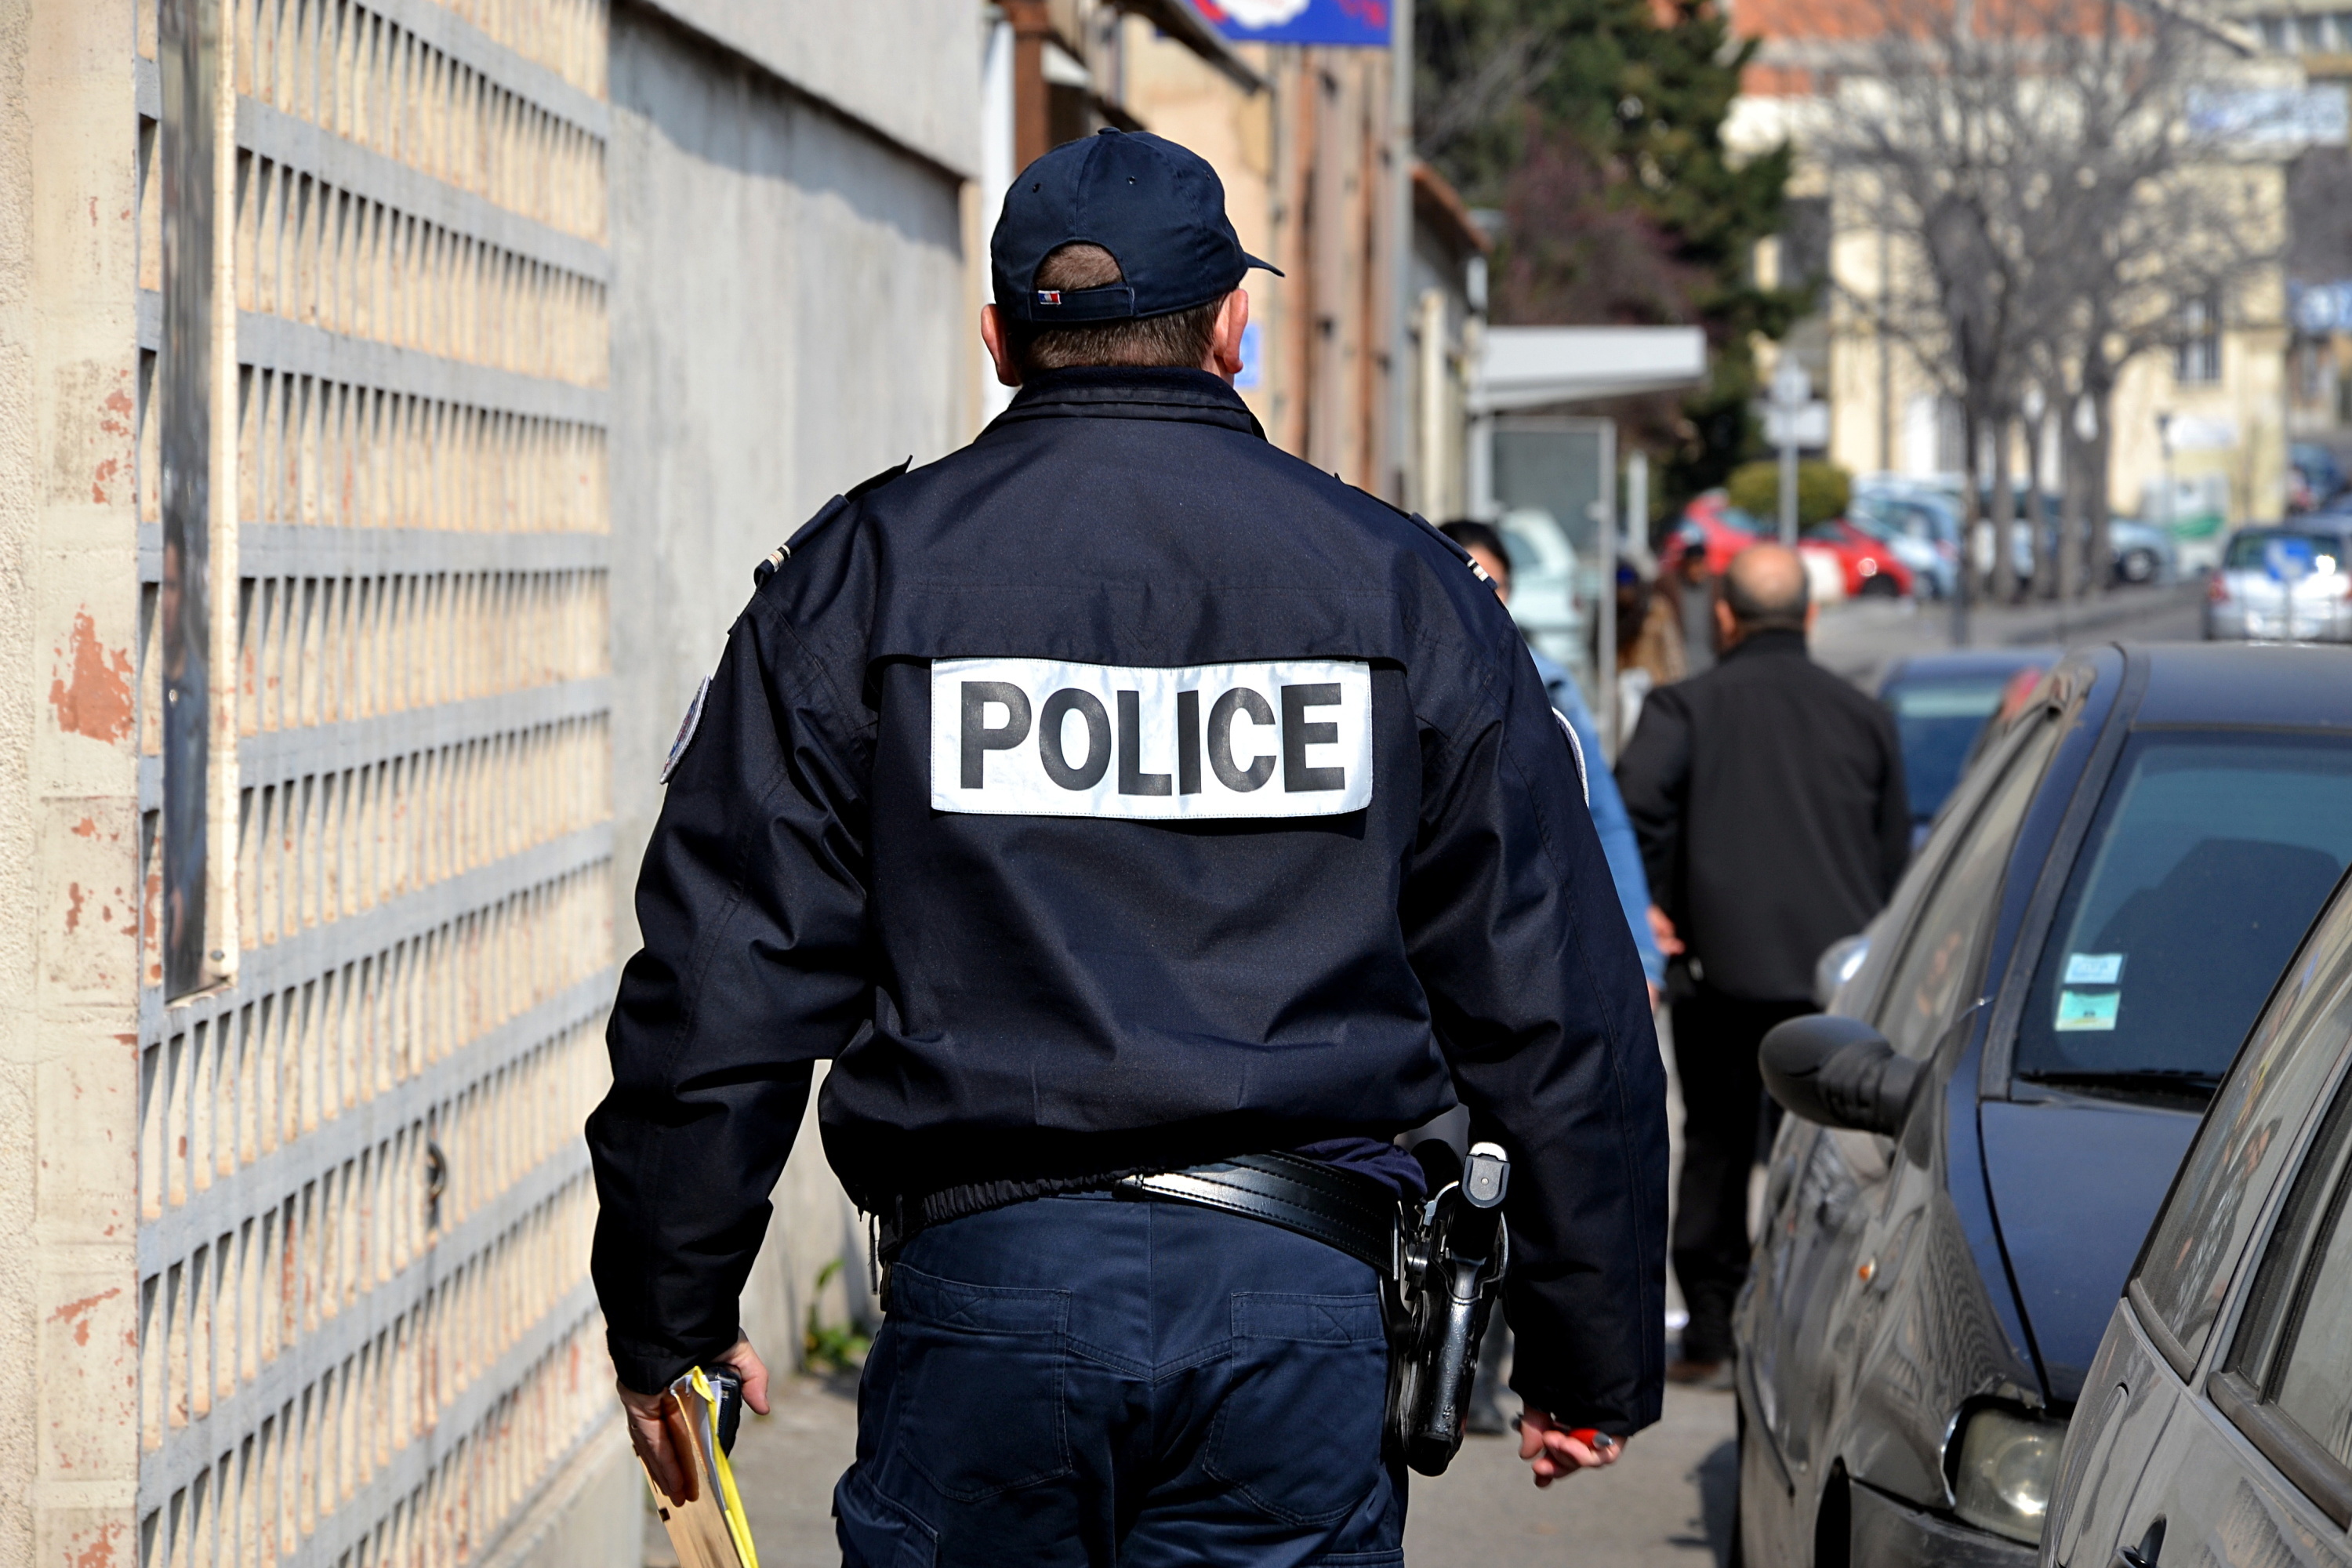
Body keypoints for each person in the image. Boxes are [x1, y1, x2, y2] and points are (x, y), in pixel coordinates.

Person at [589, 127, 1667, 1566]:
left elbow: (723, 978)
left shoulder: (862, 581)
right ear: (1235, 326)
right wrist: (1588, 1352)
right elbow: (1552, 990)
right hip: (1298, 1311)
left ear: (999, 338)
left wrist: (672, 1314)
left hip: (986, 1304)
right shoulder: (1406, 591)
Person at [1615, 543, 1909, 1385]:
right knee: (1824, 1156)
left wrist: (1656, 908)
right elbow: (1894, 865)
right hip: (1835, 989)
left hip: (1719, 973)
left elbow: (1633, 820)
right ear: (1812, 616)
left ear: (1724, 617)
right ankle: (1809, 1332)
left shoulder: (1685, 705)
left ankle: (1710, 1329)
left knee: (1712, 1144)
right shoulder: (1864, 716)